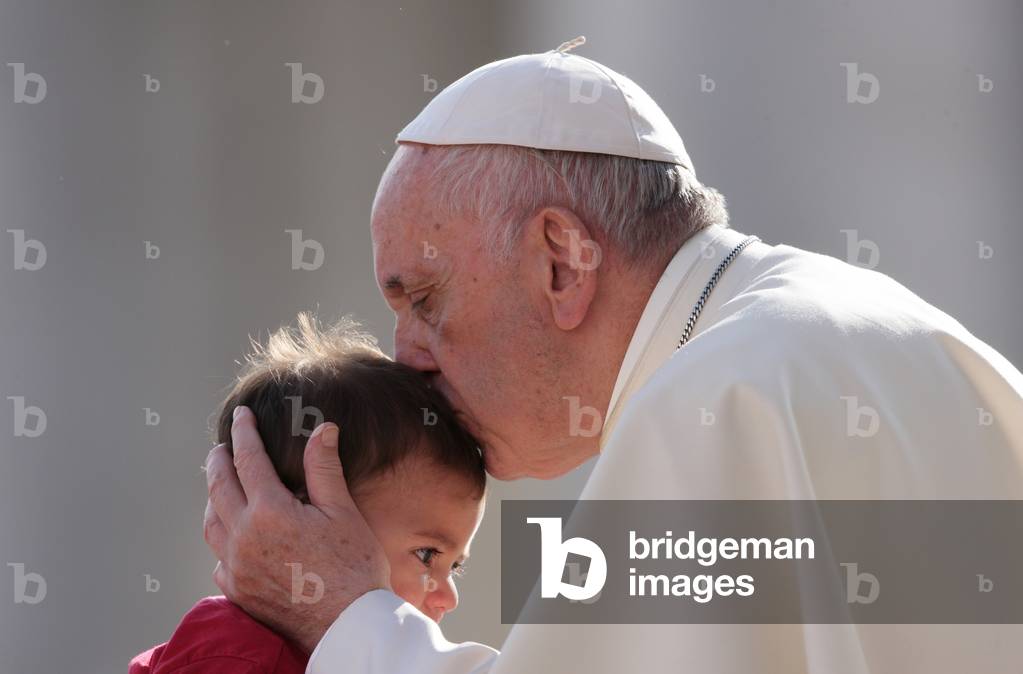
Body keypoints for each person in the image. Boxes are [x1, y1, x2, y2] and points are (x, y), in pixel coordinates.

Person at [202, 41, 1023, 672]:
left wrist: (347, 620)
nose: (405, 355)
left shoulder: (714, 403)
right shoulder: (888, 334)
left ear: (561, 260)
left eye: (423, 300)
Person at [131, 313, 486, 674]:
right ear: (297, 525)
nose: (449, 598)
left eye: (454, 566)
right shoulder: (236, 659)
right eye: (426, 554)